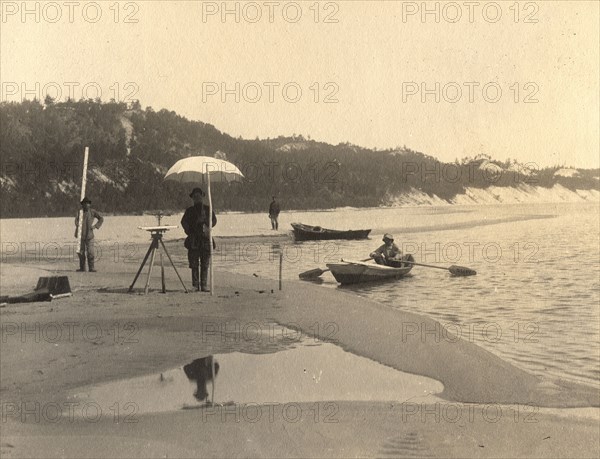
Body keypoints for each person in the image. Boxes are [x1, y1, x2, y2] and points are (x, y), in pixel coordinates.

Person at [181, 187, 217, 292]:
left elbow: (214, 220)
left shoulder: (208, 209)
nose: (197, 198)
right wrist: (190, 230)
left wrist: (207, 224)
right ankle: (195, 285)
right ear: (192, 198)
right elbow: (184, 222)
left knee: (205, 263)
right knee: (194, 263)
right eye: (195, 196)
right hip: (194, 240)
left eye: (199, 196)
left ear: (202, 197)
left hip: (205, 239)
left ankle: (204, 285)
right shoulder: (189, 211)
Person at [74, 197, 104, 272]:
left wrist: (95, 226)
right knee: (81, 253)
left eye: (88, 203)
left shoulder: (93, 212)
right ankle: (82, 268)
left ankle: (91, 267)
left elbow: (101, 218)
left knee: (90, 252)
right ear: (83, 204)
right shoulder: (79, 212)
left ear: (89, 204)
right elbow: (76, 221)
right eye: (85, 203)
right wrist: (78, 225)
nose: (86, 205)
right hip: (81, 235)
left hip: (90, 236)